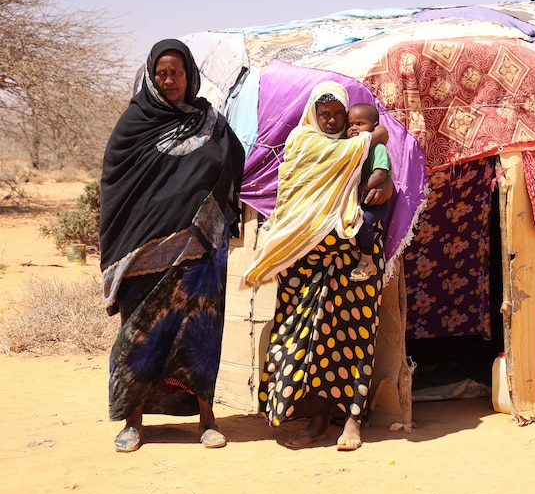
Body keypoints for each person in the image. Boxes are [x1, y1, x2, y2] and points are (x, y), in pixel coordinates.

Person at [100, 39, 246, 453]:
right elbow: (115, 184)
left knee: (200, 333)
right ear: (151, 75)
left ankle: (207, 420)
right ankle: (133, 422)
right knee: (141, 336)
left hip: (201, 249)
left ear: (189, 76)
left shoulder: (210, 122)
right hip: (144, 252)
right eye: (162, 73)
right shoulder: (133, 124)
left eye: (176, 73)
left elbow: (235, 165)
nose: (169, 81)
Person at [241, 81, 393, 451]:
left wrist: (383, 177)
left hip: (349, 258)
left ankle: (353, 421)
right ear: (312, 113)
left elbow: (377, 158)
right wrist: (374, 136)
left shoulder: (356, 147)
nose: (330, 120)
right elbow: (301, 191)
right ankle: (317, 419)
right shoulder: (302, 142)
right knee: (303, 339)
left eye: (338, 114)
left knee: (352, 338)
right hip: (304, 259)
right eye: (324, 113)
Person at [345, 102, 391, 282]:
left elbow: (379, 174)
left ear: (375, 126)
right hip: (353, 199)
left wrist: (359, 191)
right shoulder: (348, 147)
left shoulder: (377, 148)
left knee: (365, 220)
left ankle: (367, 260)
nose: (354, 129)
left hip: (371, 201)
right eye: (350, 125)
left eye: (360, 124)